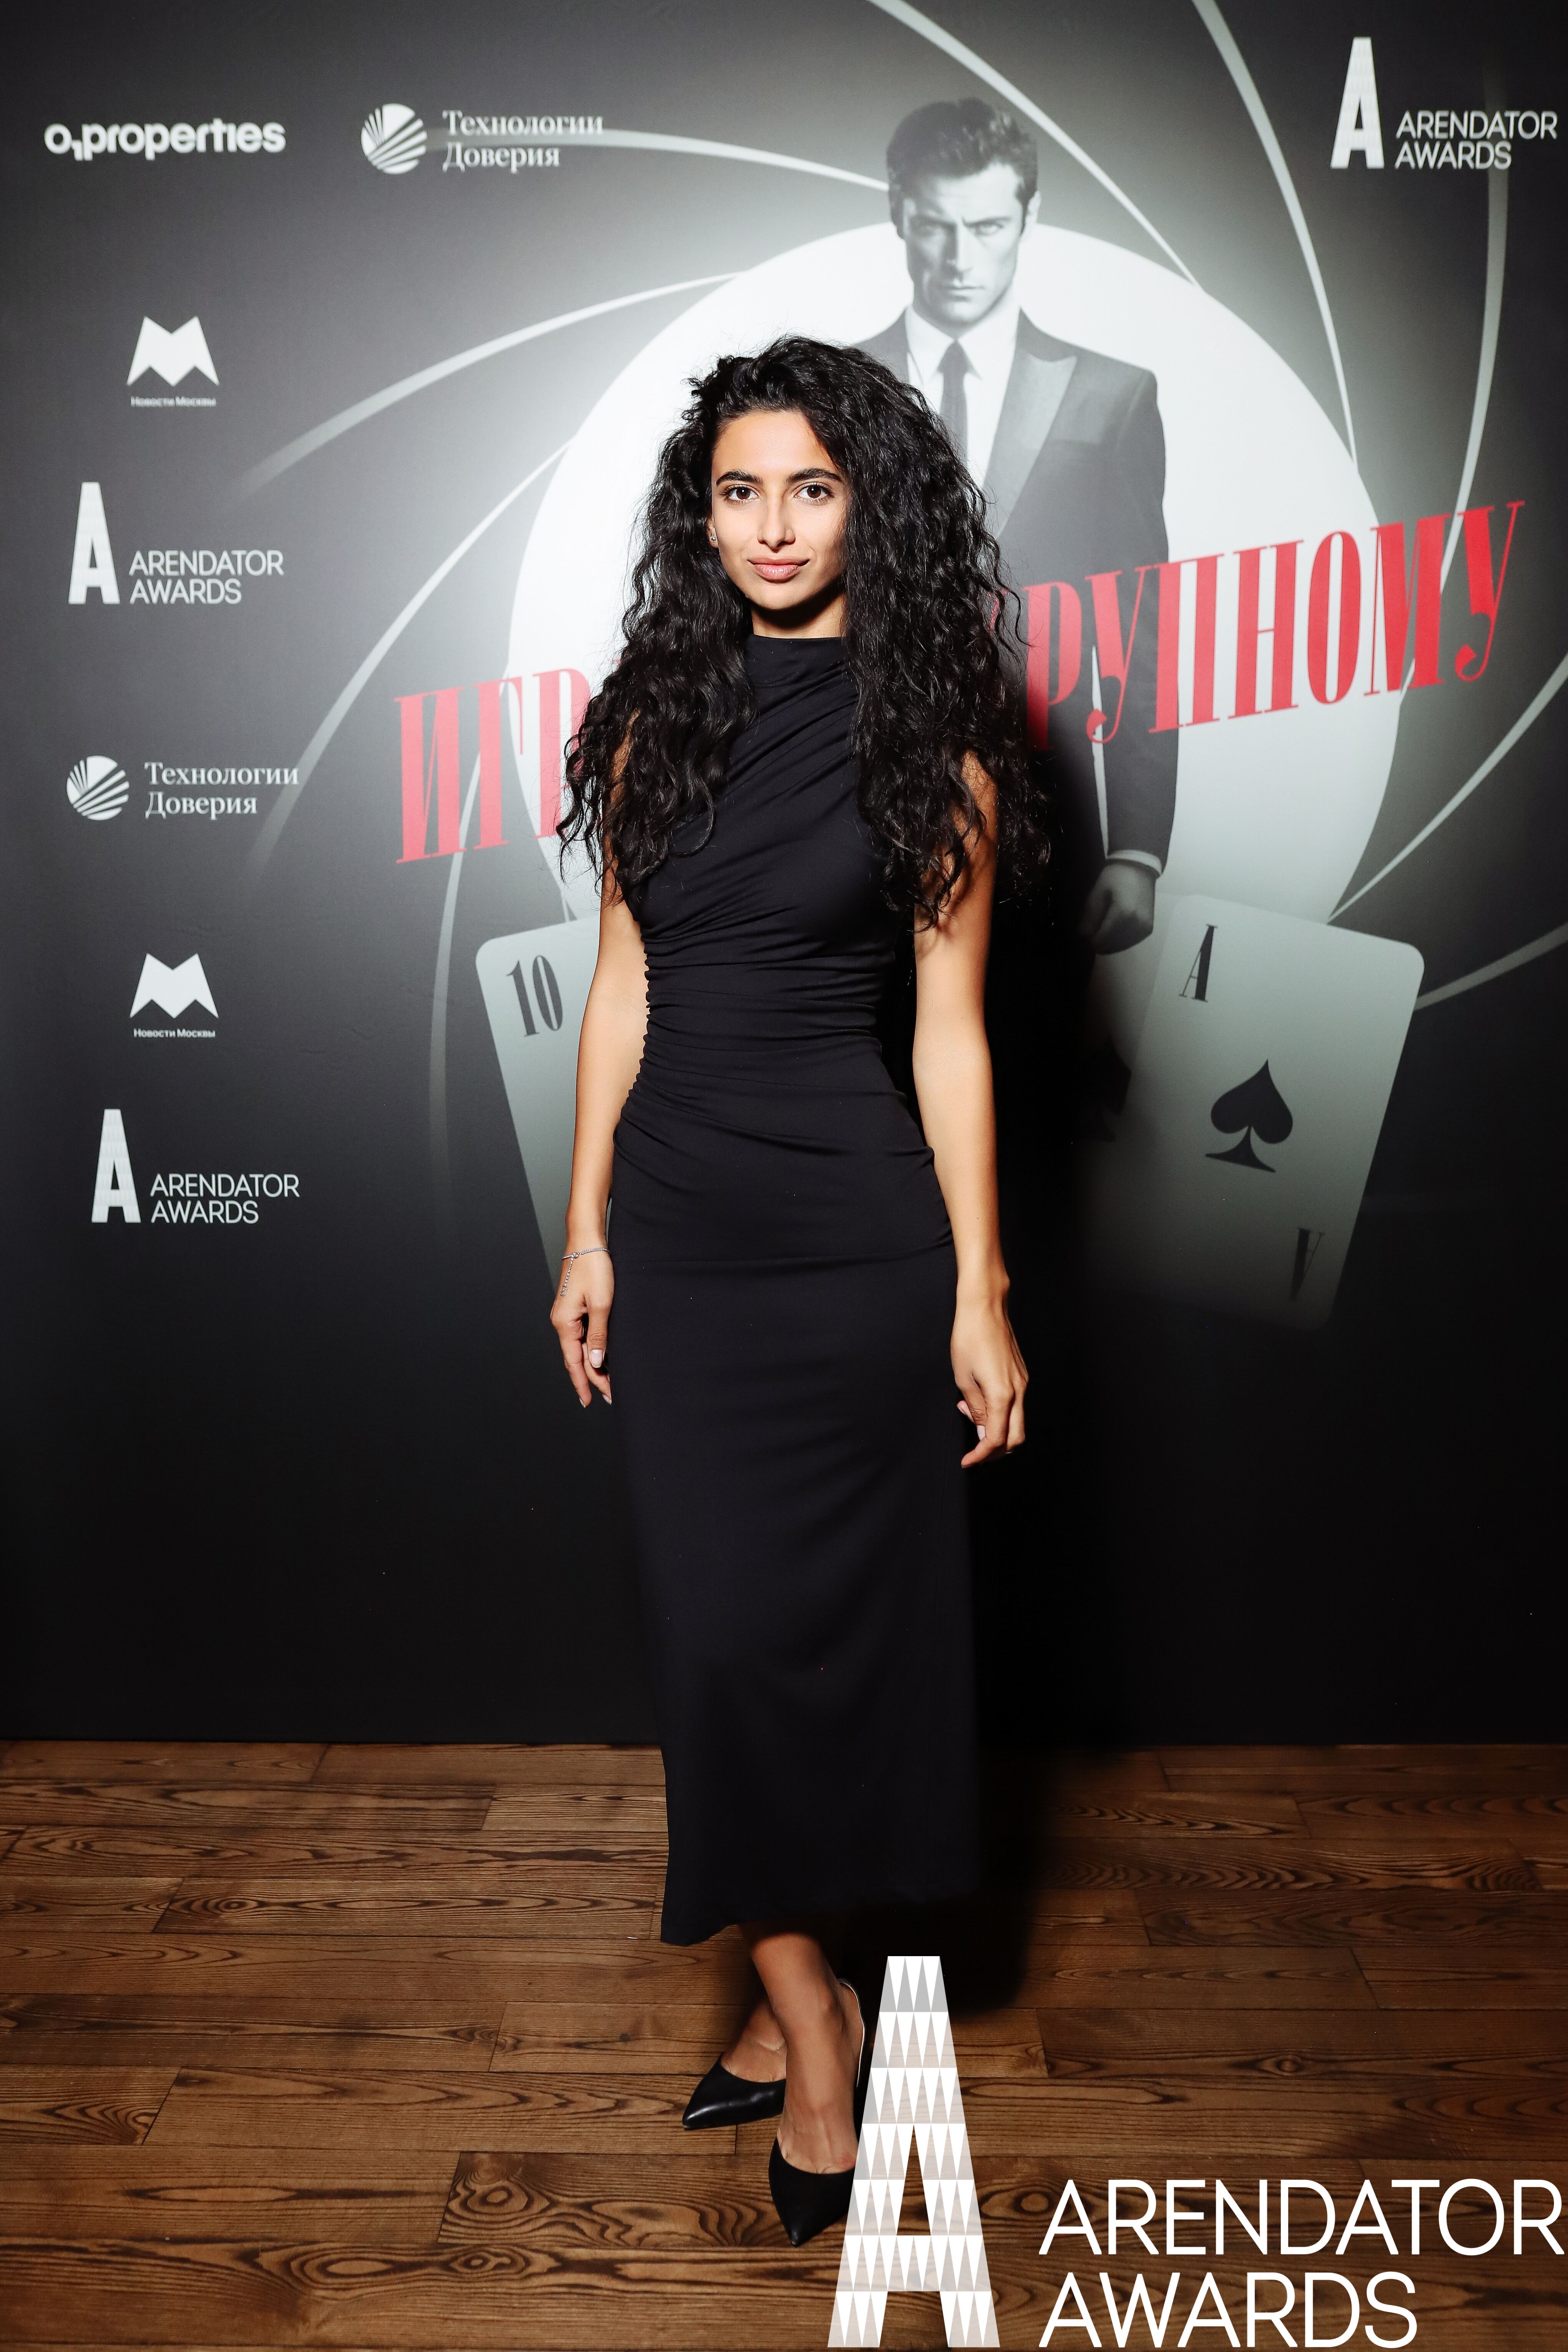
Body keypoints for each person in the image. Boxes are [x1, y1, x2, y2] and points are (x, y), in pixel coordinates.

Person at [550, 337, 1036, 2245]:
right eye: (740, 491)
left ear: (866, 510)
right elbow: (621, 990)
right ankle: (811, 2015)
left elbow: (950, 1038)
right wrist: (585, 1230)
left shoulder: (931, 748)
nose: (771, 527)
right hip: (681, 1243)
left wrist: (979, 1289)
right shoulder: (648, 724)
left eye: (811, 490)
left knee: (836, 1653)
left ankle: (793, 2013)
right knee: (721, 1652)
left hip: (854, 1249)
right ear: (702, 514)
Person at [861, 97, 1175, 956]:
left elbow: (1138, 626)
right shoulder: (833, 391)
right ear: (899, 213)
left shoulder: (1114, 397)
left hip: (1049, 811)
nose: (961, 258)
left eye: (989, 227)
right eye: (937, 226)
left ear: (1030, 219)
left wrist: (1139, 847)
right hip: (857, 809)